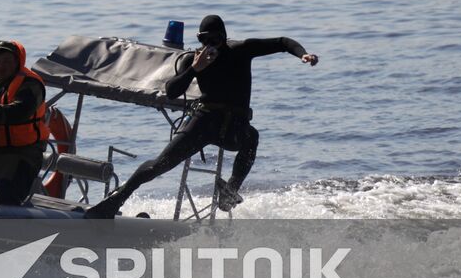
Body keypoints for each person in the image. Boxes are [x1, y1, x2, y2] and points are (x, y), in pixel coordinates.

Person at [87, 15, 317, 218]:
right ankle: (115, 201)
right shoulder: (192, 60)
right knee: (159, 165)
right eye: (204, 40)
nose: (209, 46)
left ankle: (230, 191)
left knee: (252, 138)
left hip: (234, 126)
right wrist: (195, 69)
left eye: (214, 40)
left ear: (224, 37)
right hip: (204, 122)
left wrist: (303, 54)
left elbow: (282, 43)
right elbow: (172, 91)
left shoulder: (241, 50)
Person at [0, 39, 48, 205]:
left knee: (4, 196)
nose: (0, 65)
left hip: (22, 152)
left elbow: (19, 111)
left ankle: (5, 223)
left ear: (17, 62)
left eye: (6, 61)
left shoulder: (31, 85)